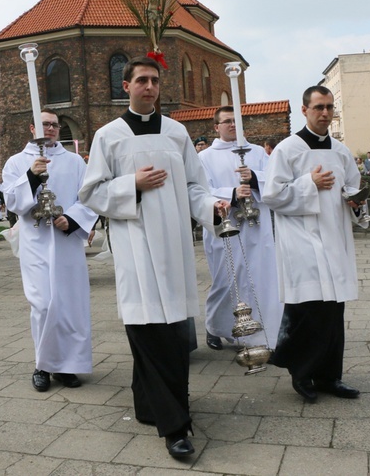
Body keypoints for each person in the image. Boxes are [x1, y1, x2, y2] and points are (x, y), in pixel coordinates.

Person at [79, 56, 230, 458]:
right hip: (136, 249)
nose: (149, 86)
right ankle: (176, 426)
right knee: (149, 333)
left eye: (154, 81)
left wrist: (212, 206)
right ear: (125, 86)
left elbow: (196, 186)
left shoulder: (177, 132)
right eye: (141, 80)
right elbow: (91, 192)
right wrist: (133, 184)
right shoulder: (108, 136)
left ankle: (150, 405)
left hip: (175, 246)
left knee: (171, 335)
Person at [262, 85, 366, 404]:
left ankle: (329, 376)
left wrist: (356, 204)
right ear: (304, 110)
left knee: (333, 312)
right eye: (318, 107)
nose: (324, 113)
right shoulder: (287, 150)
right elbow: (272, 196)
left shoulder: (340, 151)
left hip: (333, 238)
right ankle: (302, 374)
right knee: (309, 311)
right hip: (301, 242)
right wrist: (310, 183)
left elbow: (354, 188)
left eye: (329, 107)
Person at [2, 109, 99, 393]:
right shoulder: (17, 161)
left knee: (69, 304)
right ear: (33, 127)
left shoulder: (74, 161)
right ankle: (43, 364)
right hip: (35, 241)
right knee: (43, 304)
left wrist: (71, 219)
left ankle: (67, 365)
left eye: (55, 125)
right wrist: (31, 177)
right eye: (45, 124)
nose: (51, 128)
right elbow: (11, 200)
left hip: (66, 242)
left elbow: (88, 196)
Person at [198, 106, 283, 352]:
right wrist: (232, 193)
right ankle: (215, 327)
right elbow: (201, 191)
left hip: (256, 226)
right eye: (226, 122)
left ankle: (258, 333)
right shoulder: (205, 157)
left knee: (259, 277)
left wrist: (255, 178)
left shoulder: (256, 152)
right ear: (216, 127)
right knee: (227, 280)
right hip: (226, 226)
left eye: (236, 121)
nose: (232, 126)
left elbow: (275, 180)